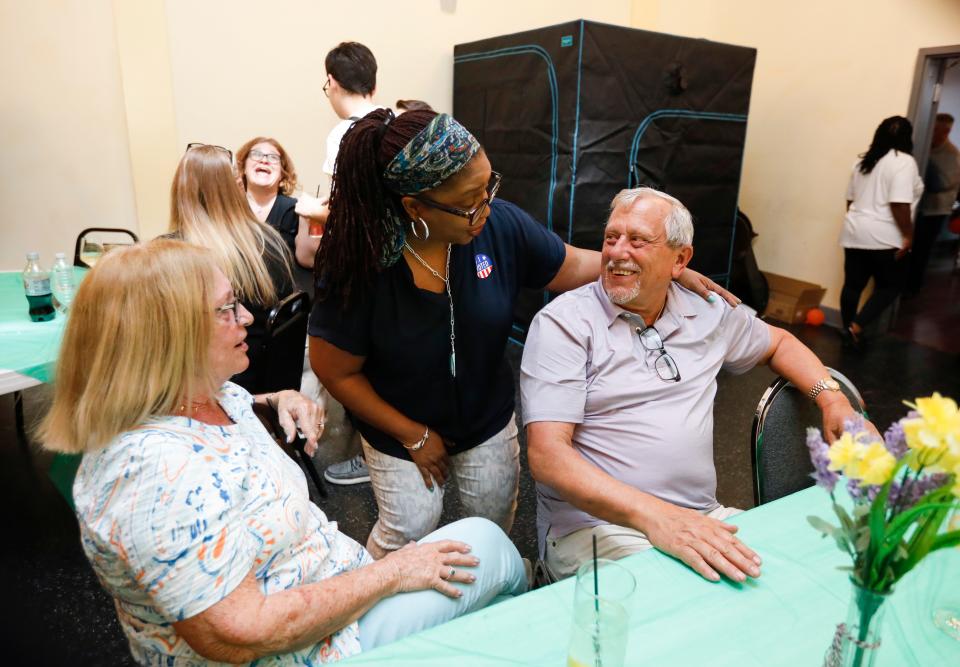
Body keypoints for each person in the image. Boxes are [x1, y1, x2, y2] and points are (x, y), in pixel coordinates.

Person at [39, 239, 527, 665]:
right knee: (493, 554)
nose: (247, 318)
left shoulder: (209, 396)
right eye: (228, 309)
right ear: (171, 338)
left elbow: (230, 418)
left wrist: (277, 400)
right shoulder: (153, 474)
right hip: (311, 650)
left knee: (482, 549)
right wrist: (392, 572)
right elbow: (239, 634)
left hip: (331, 595)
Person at [309, 109, 737, 559]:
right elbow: (334, 370)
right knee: (409, 531)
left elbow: (570, 265)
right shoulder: (358, 265)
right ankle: (372, 608)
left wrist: (656, 268)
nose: (486, 209)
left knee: (490, 526)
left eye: (488, 187)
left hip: (484, 417)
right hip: (396, 425)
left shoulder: (499, 226)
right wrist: (413, 435)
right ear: (415, 207)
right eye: (469, 201)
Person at [520, 187, 869, 582]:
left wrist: (832, 400)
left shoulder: (707, 311)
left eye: (638, 240)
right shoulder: (563, 324)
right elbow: (548, 457)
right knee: (683, 611)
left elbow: (781, 342)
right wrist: (658, 518)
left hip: (700, 516)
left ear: (680, 260)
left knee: (801, 575)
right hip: (596, 528)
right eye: (611, 237)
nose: (618, 252)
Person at [310, 41, 384, 485]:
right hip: (398, 261)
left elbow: (346, 210)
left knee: (353, 366)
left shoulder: (345, 134)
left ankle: (370, 458)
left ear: (333, 83)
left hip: (362, 265)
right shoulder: (393, 122)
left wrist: (307, 210)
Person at [170, 143, 295, 393]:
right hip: (268, 378)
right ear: (236, 188)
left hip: (213, 388)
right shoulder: (270, 240)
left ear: (180, 191)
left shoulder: (173, 255)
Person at [839, 116, 923, 349]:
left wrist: (859, 224)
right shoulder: (904, 162)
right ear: (908, 138)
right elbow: (899, 203)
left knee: (853, 285)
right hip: (886, 238)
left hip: (854, 232)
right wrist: (908, 235)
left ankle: (847, 330)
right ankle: (856, 327)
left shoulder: (863, 162)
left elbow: (850, 200)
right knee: (891, 286)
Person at [236, 136, 316, 294]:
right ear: (243, 168)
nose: (264, 160)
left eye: (273, 158)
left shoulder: (296, 209)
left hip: (283, 309)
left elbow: (309, 261)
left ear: (282, 175)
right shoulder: (228, 209)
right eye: (256, 154)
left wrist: (310, 219)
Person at [906, 113, 960, 294]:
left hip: (935, 210)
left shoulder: (952, 154)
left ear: (946, 132)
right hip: (918, 207)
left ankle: (913, 287)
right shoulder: (924, 145)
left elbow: (947, 183)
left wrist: (928, 169)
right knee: (909, 246)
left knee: (922, 249)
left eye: (937, 130)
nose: (933, 133)